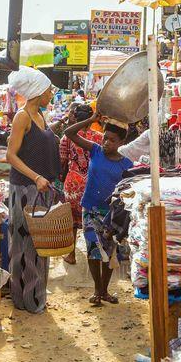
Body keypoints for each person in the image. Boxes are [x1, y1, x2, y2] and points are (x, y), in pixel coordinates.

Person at [6, 66, 61, 313]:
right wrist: (36, 176)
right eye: (49, 90)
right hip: (25, 190)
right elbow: (11, 155)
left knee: (40, 245)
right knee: (24, 246)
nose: (52, 93)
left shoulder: (40, 115)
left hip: (41, 189)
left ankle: (37, 297)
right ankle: (25, 299)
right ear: (39, 92)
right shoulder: (23, 117)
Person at [65, 112, 132, 306]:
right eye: (105, 138)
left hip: (111, 214)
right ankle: (97, 290)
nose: (106, 142)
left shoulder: (126, 165)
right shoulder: (95, 150)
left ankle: (105, 290)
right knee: (93, 249)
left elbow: (126, 192)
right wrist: (92, 119)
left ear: (120, 142)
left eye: (112, 140)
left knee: (109, 252)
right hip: (90, 208)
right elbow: (69, 133)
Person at [59, 104, 103, 265]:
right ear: (92, 121)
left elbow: (62, 161)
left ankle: (71, 255)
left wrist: (63, 176)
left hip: (73, 182)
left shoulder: (67, 137)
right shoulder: (99, 137)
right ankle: (96, 255)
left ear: (75, 119)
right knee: (93, 219)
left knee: (72, 221)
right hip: (94, 183)